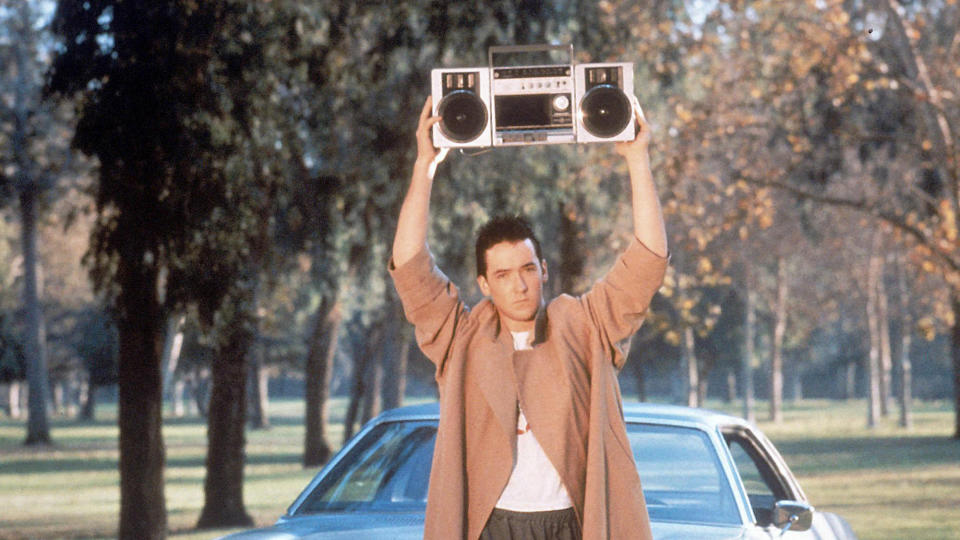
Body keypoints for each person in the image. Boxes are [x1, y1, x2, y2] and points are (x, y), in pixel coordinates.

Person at [389, 95, 668, 540]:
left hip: (573, 524)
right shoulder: (462, 337)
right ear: (483, 283)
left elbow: (648, 260)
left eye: (526, 270)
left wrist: (638, 158)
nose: (518, 285)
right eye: (502, 274)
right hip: (492, 526)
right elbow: (409, 267)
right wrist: (425, 165)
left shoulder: (584, 325)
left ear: (543, 271)